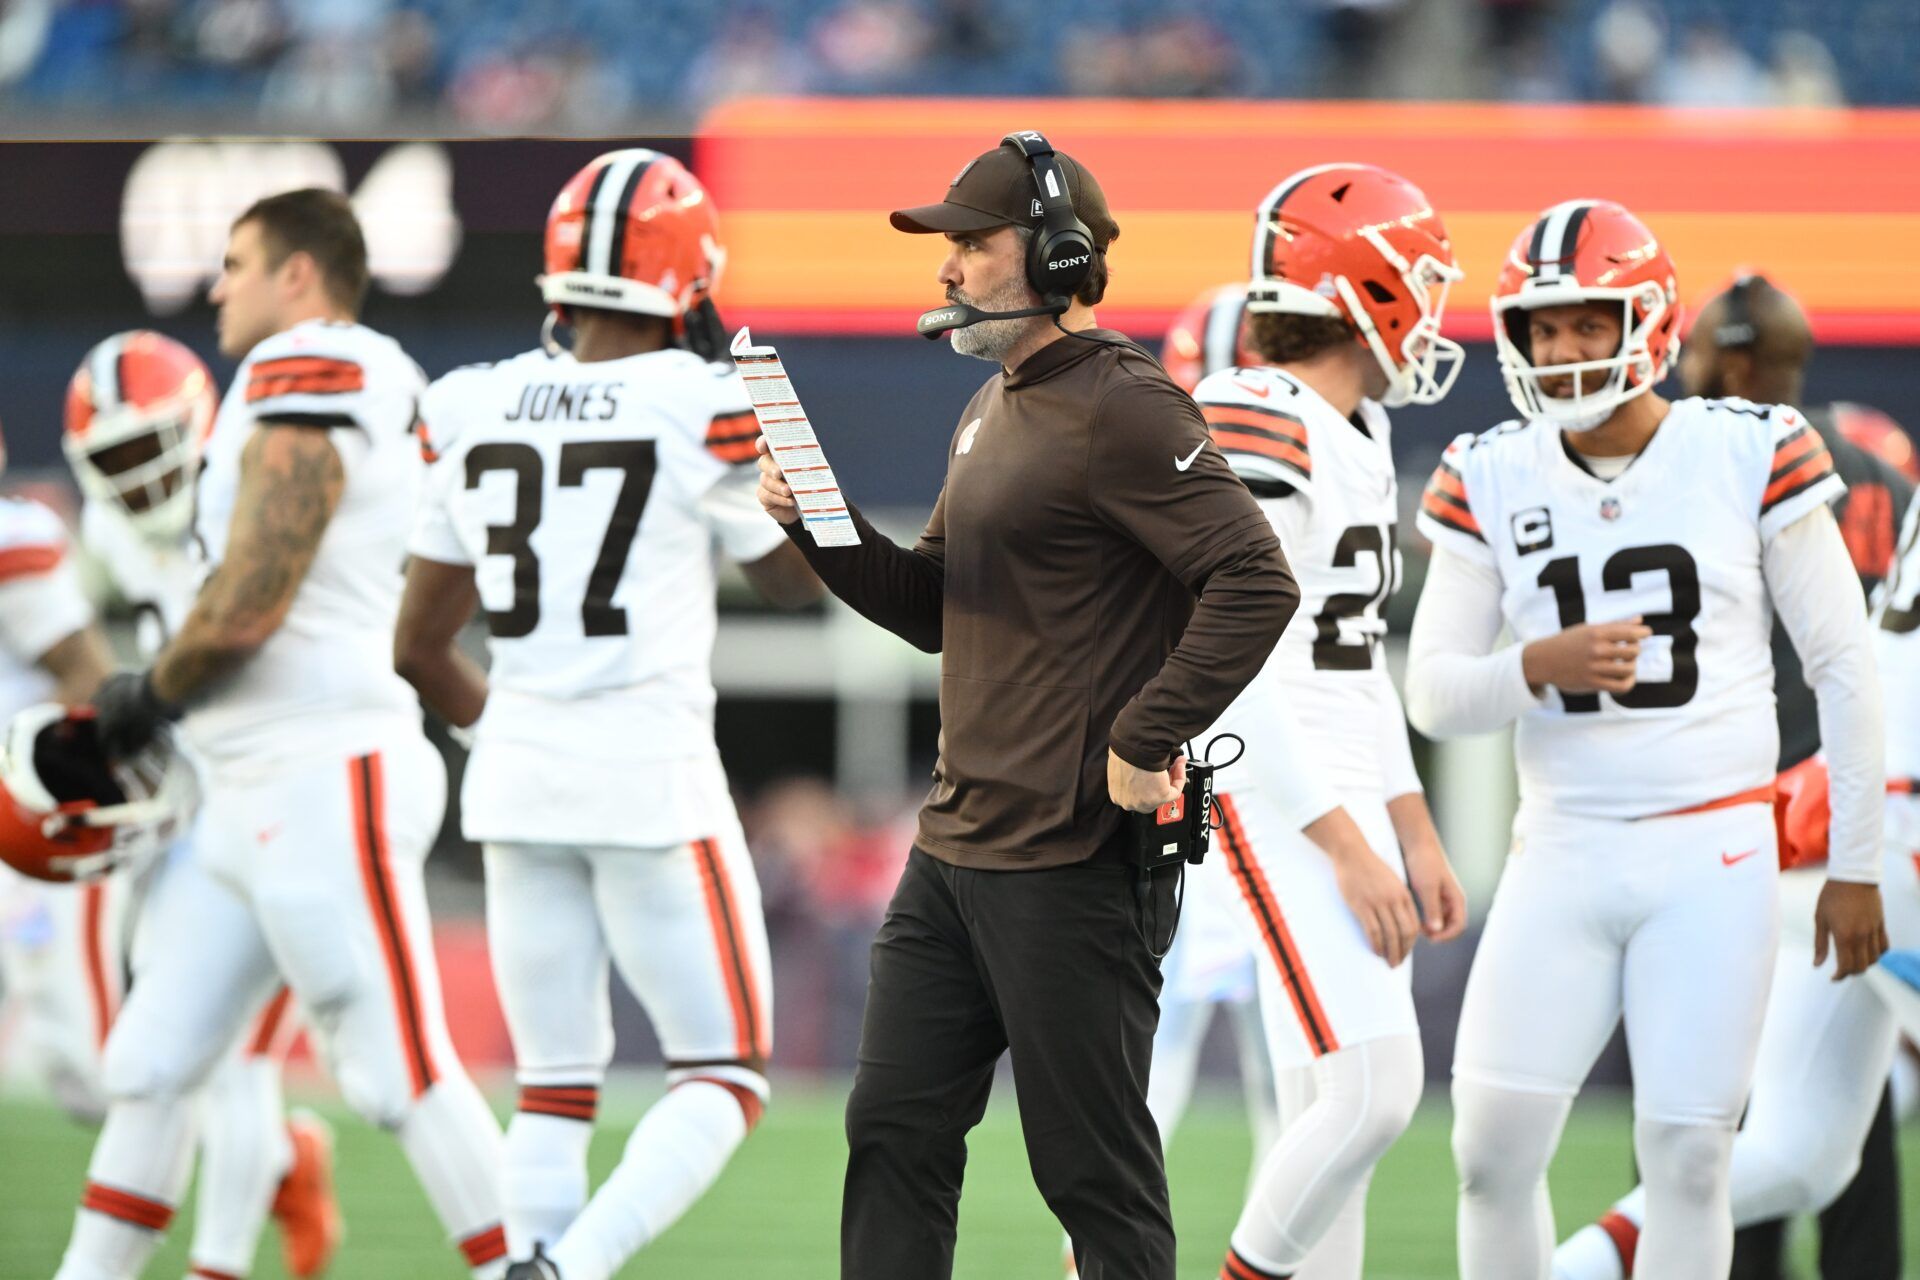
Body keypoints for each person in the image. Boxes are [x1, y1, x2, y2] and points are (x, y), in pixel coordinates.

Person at [756, 131, 1299, 1280]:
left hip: (1075, 862)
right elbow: (930, 606)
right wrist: (818, 516)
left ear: (1055, 254)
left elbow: (1256, 577)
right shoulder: (992, 407)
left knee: (1093, 1176)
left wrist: (1145, 733)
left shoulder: (1125, 403)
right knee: (892, 1136)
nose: (947, 268)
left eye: (970, 242)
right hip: (953, 851)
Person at [1404, 199, 1888, 1280]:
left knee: (1686, 1154)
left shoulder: (1749, 446)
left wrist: (1857, 865)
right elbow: (1435, 691)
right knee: (1487, 1148)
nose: (1564, 349)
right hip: (1561, 844)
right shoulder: (1491, 466)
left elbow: (1845, 663)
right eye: (1543, 327)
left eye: (1588, 321)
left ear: (1652, 321)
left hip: (1711, 847)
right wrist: (1540, 664)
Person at [54, 188, 509, 1280]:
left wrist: (140, 699)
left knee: (400, 1068)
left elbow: (254, 596)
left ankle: (535, 1265)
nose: (217, 284)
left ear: (299, 273)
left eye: (237, 261)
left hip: (323, 769)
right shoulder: (308, 377)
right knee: (153, 1064)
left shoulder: (314, 362)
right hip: (246, 788)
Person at [393, 148, 823, 1280]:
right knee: (723, 1072)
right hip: (647, 772)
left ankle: (527, 1263)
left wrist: (515, 728)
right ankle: (565, 1270)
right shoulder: (706, 401)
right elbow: (803, 575)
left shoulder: (469, 399)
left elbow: (417, 644)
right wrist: (781, 427)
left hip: (518, 773)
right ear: (690, 277)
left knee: (553, 1081)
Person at [1551, 276, 1918, 1280]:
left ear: (1743, 363)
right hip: (1851, 810)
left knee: (1705, 1102)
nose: (1683, 372)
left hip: (1745, 815)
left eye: (1703, 352)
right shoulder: (1880, 478)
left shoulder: (1720, 465)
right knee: (1832, 1118)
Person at [1194, 163, 1469, 1280]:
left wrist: (1411, 821)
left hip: (1341, 778)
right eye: (1426, 284)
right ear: (1371, 290)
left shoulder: (1354, 428)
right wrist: (1347, 840)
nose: (1439, 313)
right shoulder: (1262, 411)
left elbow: (1356, 663)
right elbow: (1230, 649)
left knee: (1330, 1107)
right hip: (1273, 781)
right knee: (1373, 1088)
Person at [53, 328, 345, 1280]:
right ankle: (286, 1170)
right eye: (117, 463)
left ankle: (223, 1256)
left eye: (149, 449)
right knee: (134, 1065)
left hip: (293, 791)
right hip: (189, 806)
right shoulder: (105, 535)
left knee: (260, 1065)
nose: (140, 480)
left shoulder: (252, 486)